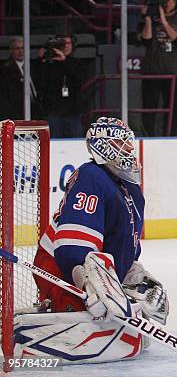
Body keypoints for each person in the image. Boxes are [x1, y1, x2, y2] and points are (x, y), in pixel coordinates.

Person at [15, 117, 168, 363]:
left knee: (124, 318)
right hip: (60, 268)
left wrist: (132, 273)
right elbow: (73, 243)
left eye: (129, 142)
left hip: (94, 270)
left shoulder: (130, 190)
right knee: (103, 322)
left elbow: (120, 246)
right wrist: (86, 281)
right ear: (103, 146)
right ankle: (51, 320)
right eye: (121, 142)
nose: (129, 148)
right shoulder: (92, 176)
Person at [140, 0, 177, 136]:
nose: (167, 1)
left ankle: (170, 137)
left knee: (172, 109)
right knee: (149, 108)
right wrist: (148, 19)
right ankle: (148, 137)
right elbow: (146, 41)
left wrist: (163, 20)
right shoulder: (152, 20)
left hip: (170, 72)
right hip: (151, 70)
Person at [32, 34, 86, 138]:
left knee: (75, 143)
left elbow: (80, 77)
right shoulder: (48, 63)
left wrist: (64, 61)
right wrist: (40, 60)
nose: (65, 46)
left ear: (73, 46)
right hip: (53, 112)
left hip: (73, 113)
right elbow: (38, 81)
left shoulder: (77, 63)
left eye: (68, 43)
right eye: (62, 44)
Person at [0, 36, 40, 120]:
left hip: (36, 112)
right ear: (11, 51)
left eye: (23, 48)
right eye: (17, 48)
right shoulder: (5, 70)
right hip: (16, 114)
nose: (21, 51)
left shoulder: (34, 66)